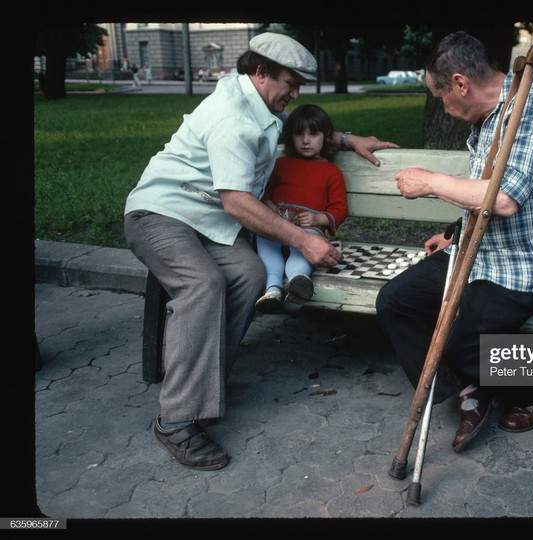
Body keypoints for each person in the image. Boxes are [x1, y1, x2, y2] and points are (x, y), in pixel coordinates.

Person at [124, 32, 398, 471]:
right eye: (290, 84)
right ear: (260, 72)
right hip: (161, 213)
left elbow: (293, 131)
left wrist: (345, 138)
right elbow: (237, 202)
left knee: (250, 275)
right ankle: (175, 420)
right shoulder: (233, 118)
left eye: (299, 87)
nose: (294, 94)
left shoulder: (257, 100)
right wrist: (306, 239)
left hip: (208, 222)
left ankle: (204, 381)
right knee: (203, 283)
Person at [376, 31, 533, 453]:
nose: (444, 108)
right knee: (395, 301)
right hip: (475, 251)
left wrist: (428, 181)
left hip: (523, 263)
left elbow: (502, 198)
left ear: (461, 83)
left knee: (462, 341)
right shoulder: (488, 118)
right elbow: (478, 190)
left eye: (441, 97)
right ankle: (469, 390)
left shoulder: (531, 105)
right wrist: (452, 233)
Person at [255, 104, 348, 314]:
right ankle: (273, 288)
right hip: (277, 223)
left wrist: (317, 220)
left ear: (325, 137)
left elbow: (339, 209)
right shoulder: (281, 164)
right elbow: (265, 194)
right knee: (264, 238)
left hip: (308, 228)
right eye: (299, 134)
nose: (306, 141)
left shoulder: (331, 172)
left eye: (314, 134)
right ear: (290, 137)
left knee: (304, 248)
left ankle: (298, 281)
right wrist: (270, 207)